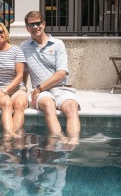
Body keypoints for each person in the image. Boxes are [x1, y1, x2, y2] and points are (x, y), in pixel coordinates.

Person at [20, 10, 80, 145]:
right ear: (27, 28)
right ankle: (60, 138)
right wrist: (23, 91)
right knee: (48, 104)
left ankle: (74, 141)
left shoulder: (58, 44)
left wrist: (39, 88)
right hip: (43, 93)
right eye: (31, 24)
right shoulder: (24, 47)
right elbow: (23, 72)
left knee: (71, 106)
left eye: (38, 23)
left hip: (60, 88)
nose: (35, 27)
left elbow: (61, 73)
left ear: (44, 24)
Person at [0, 22, 28, 138]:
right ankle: (8, 136)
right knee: (6, 103)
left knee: (19, 104)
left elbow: (20, 76)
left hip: (17, 88)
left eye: (0, 32)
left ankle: (14, 136)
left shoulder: (17, 50)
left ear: (5, 33)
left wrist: (5, 91)